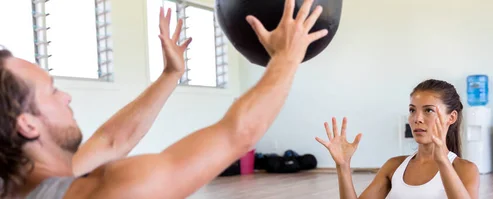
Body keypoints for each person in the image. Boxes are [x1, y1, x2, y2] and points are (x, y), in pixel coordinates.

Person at [0, 0, 328, 198]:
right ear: (27, 123)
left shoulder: (21, 185)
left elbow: (112, 140)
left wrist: (170, 74)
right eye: (53, 91)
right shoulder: (110, 191)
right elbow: (236, 134)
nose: (66, 96)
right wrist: (286, 56)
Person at [315, 79, 480, 199]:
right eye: (412, 110)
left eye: (428, 110)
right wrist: (343, 166)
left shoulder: (464, 169)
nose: (417, 118)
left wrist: (442, 160)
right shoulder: (394, 166)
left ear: (451, 118)